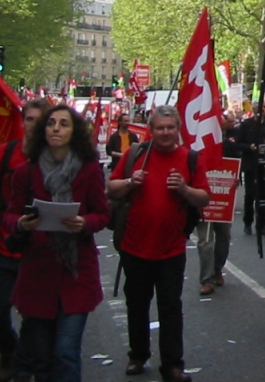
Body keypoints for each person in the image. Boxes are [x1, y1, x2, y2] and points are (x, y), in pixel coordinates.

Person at [4, 105, 109, 382]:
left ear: (74, 132)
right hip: (37, 273)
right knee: (43, 357)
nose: (56, 128)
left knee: (66, 352)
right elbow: (10, 214)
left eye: (64, 124)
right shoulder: (26, 171)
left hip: (76, 272)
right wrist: (21, 224)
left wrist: (85, 223)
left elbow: (102, 213)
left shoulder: (88, 170)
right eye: (51, 123)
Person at [107, 105, 209, 382]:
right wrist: (130, 181)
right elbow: (111, 189)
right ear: (150, 131)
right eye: (160, 128)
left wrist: (184, 189)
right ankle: (137, 355)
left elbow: (204, 198)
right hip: (134, 245)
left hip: (171, 248)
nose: (165, 132)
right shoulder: (136, 155)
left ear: (178, 130)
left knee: (170, 308)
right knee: (137, 305)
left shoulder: (190, 158)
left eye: (170, 127)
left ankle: (173, 365)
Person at [0, 99, 47, 382]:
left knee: (34, 316)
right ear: (22, 121)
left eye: (40, 120)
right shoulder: (5, 153)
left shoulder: (55, 157)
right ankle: (9, 350)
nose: (33, 125)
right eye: (29, 119)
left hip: (38, 251)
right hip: (2, 244)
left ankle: (27, 363)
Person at [196, 113, 241, 296]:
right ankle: (206, 279)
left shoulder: (229, 146)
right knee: (205, 240)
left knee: (223, 236)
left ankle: (217, 269)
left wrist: (236, 179)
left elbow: (235, 165)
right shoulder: (198, 147)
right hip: (205, 198)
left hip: (223, 200)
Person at [234, 105, 265, 235]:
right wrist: (249, 147)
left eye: (261, 108)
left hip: (264, 164)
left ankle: (262, 223)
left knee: (262, 195)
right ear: (252, 110)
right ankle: (248, 222)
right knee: (250, 195)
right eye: (256, 109)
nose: (259, 111)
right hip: (250, 164)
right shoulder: (246, 124)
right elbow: (239, 144)